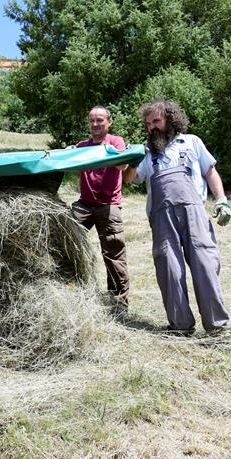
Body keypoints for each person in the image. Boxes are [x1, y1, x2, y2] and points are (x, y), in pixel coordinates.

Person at [122, 100, 231, 334]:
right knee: (169, 269)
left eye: (157, 121)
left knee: (205, 265)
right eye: (148, 123)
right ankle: (180, 326)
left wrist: (221, 199)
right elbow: (130, 179)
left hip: (194, 213)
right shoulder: (145, 151)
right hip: (161, 219)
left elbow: (210, 171)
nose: (152, 127)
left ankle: (217, 326)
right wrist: (129, 163)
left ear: (170, 119)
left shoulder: (191, 142)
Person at [71, 106, 130, 316]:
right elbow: (65, 161)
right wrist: (69, 152)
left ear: (109, 122)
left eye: (100, 120)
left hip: (109, 205)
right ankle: (71, 291)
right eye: (92, 121)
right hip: (84, 205)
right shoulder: (82, 146)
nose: (95, 124)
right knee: (65, 241)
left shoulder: (115, 142)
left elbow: (123, 165)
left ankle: (119, 304)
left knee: (113, 254)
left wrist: (107, 153)